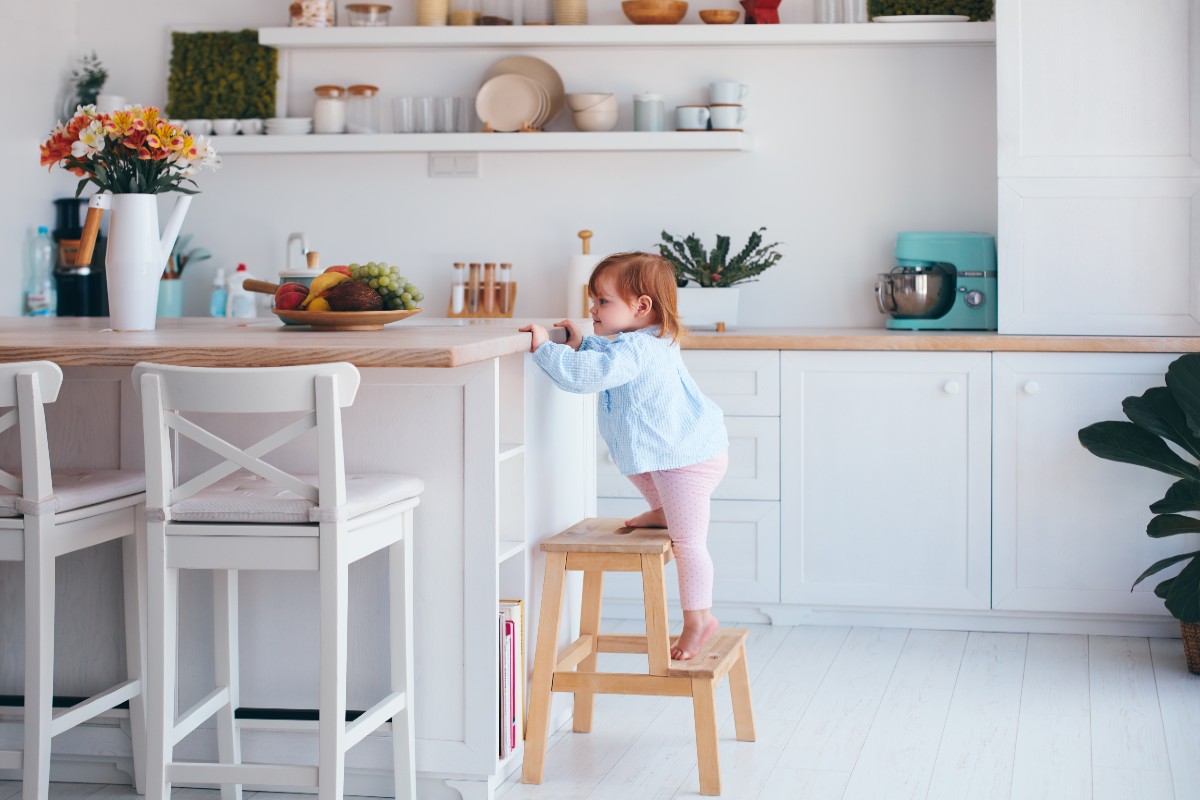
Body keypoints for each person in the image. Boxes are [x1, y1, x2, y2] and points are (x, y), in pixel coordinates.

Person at [519, 251, 729, 660]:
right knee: (636, 466)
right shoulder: (643, 340)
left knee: (689, 543)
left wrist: (547, 350)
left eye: (602, 301)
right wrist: (585, 342)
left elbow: (590, 375)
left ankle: (699, 618)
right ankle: (664, 509)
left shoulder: (638, 350)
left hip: (688, 460)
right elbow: (610, 357)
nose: (592, 308)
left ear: (641, 306)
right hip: (671, 455)